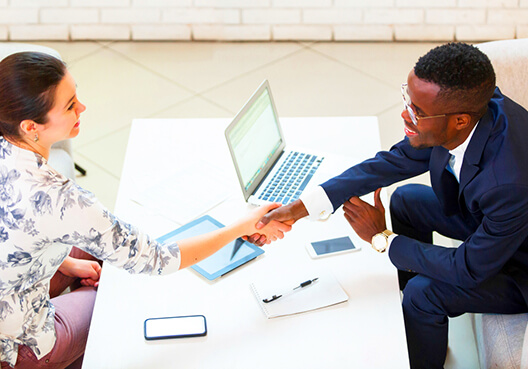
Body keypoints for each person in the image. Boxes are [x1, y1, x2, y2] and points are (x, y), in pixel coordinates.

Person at [0, 52, 290, 369]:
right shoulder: (60, 199)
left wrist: (67, 262)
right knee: (116, 295)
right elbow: (158, 259)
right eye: (70, 105)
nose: (82, 107)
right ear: (30, 126)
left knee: (97, 257)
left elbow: (18, 232)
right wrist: (240, 227)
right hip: (19, 345)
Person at [248, 42, 528, 369]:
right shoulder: (471, 111)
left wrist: (382, 239)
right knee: (407, 199)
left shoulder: (508, 183)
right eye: (407, 99)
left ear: (460, 121)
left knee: (425, 293)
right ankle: (413, 322)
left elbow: (468, 269)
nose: (405, 113)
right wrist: (296, 210)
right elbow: (389, 164)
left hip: (519, 267)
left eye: (417, 112)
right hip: (496, 226)